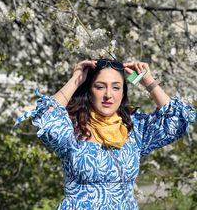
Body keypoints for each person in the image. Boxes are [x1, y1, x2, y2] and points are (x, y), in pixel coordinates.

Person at [15, 58, 196, 210]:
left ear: (123, 92)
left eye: (116, 87)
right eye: (100, 87)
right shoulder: (72, 129)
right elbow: (45, 115)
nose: (108, 95)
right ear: (89, 90)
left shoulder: (135, 129)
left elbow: (177, 120)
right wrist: (76, 79)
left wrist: (148, 81)